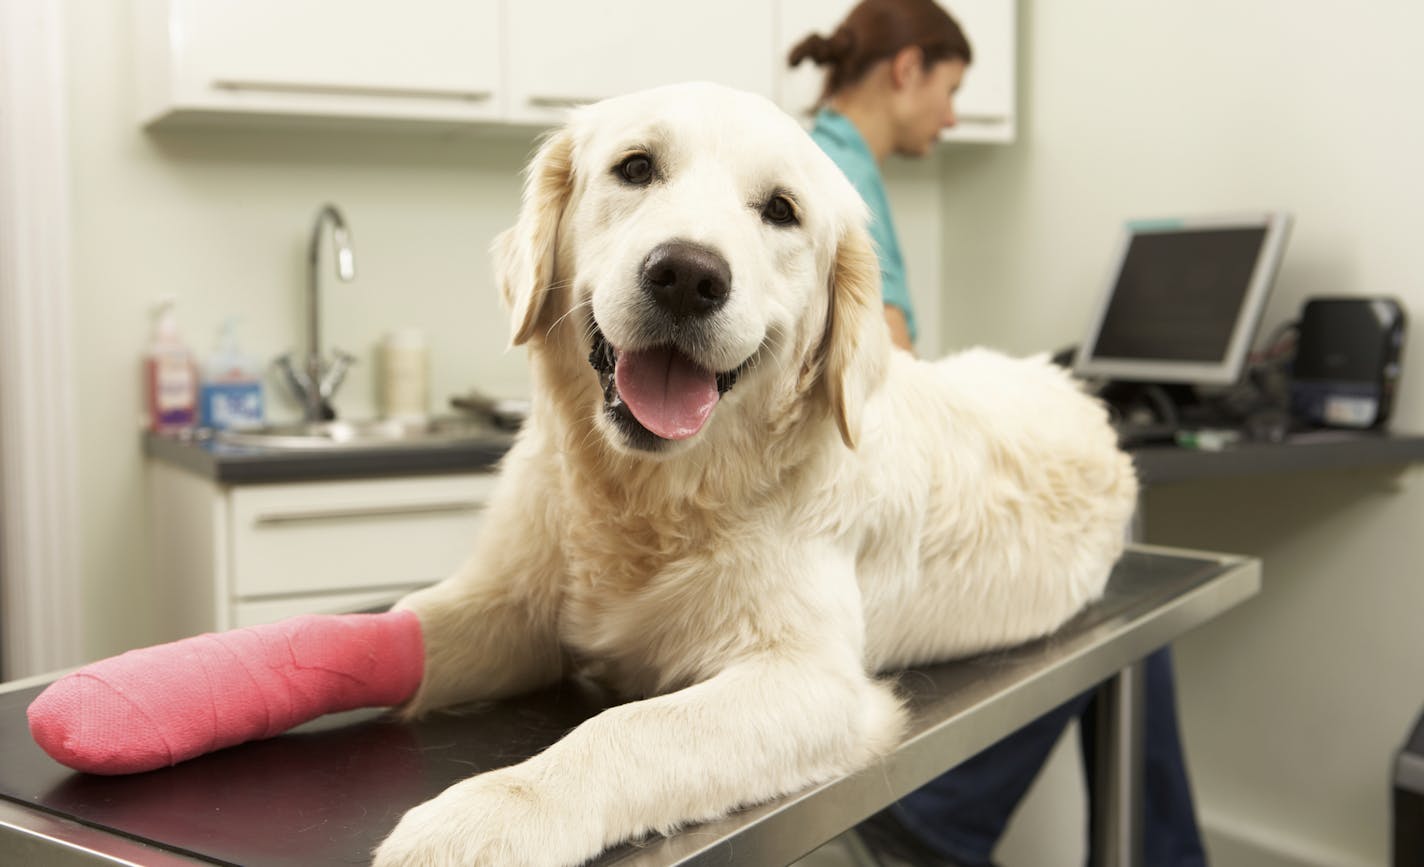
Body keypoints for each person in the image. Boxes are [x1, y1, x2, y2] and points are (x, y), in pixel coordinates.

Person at [789, 3, 1208, 865]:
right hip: (829, 527)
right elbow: (882, 387)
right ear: (907, 69)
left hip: (824, 509)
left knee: (1098, 550)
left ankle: (953, 817)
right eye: (950, 88)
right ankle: (940, 818)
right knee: (1105, 534)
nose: (951, 115)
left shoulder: (822, 160)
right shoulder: (834, 178)